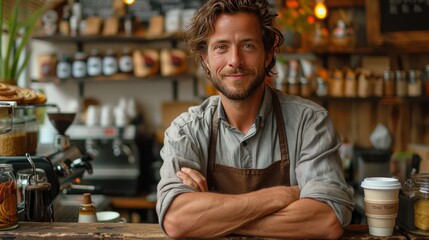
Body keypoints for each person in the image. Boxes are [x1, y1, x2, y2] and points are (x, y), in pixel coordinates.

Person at [156, 0, 355, 238]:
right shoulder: (186, 130)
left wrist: (212, 219)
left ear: (268, 53)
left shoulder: (310, 122)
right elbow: (178, 220)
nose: (235, 61)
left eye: (248, 45)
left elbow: (326, 220)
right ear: (205, 59)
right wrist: (282, 196)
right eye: (221, 47)